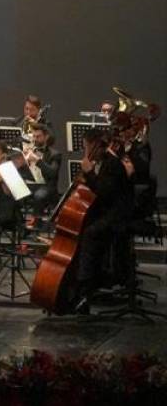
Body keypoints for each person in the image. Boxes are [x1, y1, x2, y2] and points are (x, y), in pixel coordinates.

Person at [72, 129, 137, 312]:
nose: (86, 151)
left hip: (117, 216)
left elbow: (104, 194)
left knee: (90, 234)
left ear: (95, 144)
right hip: (106, 211)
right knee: (85, 228)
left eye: (87, 146)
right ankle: (91, 282)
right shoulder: (102, 162)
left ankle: (86, 290)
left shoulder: (113, 164)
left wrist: (89, 174)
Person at [15, 123, 62, 213]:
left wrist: (37, 160)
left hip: (46, 186)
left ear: (46, 137)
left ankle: (37, 219)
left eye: (38, 136)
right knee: (13, 192)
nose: (35, 139)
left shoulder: (55, 154)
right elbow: (22, 172)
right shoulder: (29, 150)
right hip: (30, 183)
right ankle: (18, 219)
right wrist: (22, 162)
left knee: (39, 196)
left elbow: (53, 173)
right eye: (34, 136)